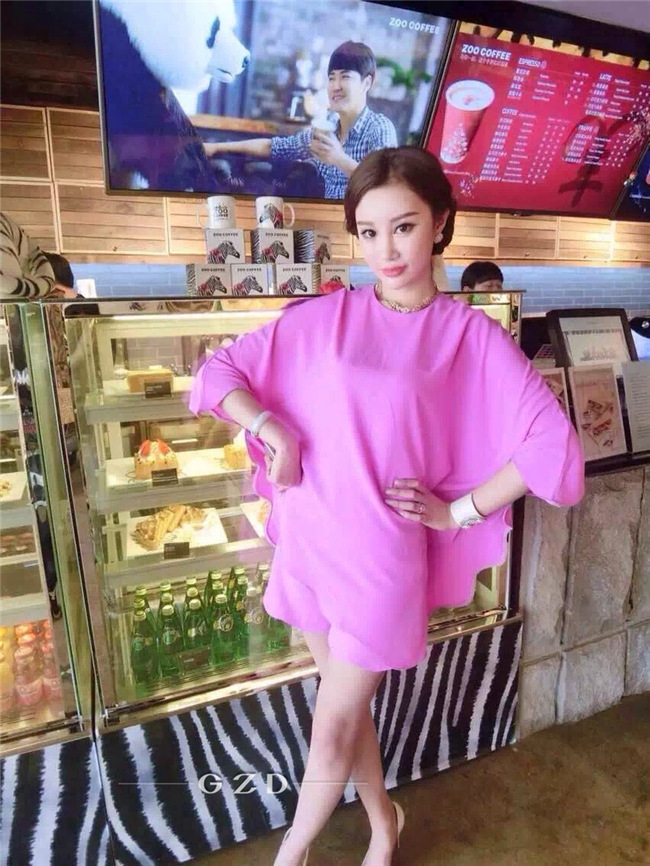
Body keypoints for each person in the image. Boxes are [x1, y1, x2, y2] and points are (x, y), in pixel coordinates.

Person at [189, 146, 585, 866]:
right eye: (368, 232)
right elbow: (218, 372)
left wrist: (457, 513)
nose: (386, 250)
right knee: (344, 709)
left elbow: (552, 445)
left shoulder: (470, 336)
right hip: (311, 536)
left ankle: (291, 853)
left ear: (440, 223)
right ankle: (383, 822)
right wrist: (272, 428)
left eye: (403, 227)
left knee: (333, 721)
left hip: (382, 560)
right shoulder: (326, 316)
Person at [204, 41, 398, 198]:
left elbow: (385, 188)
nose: (335, 86)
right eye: (332, 78)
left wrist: (338, 158)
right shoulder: (328, 128)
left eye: (345, 77)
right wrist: (215, 147)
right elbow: (274, 147)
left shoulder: (379, 127)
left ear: (367, 83)